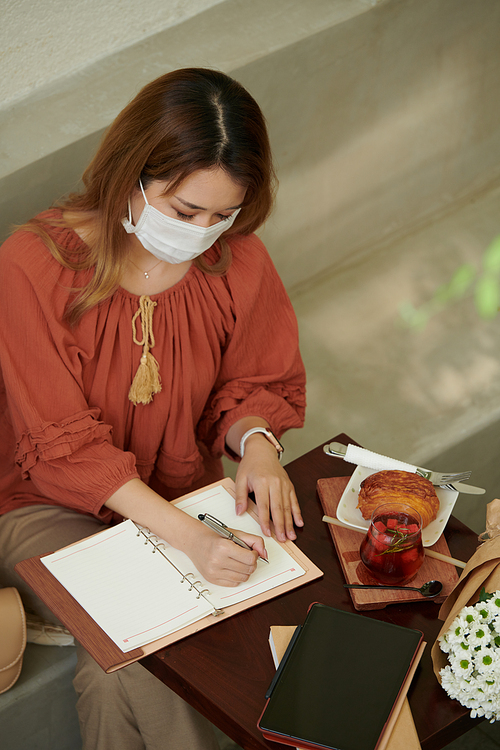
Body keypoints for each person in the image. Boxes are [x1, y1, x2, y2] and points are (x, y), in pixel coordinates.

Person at [0, 67, 306, 748]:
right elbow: (62, 449)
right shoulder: (31, 266)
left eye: (222, 214)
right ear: (130, 176)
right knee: (158, 644)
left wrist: (259, 445)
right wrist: (192, 537)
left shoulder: (238, 259)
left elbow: (255, 380)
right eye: (183, 210)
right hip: (44, 504)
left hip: (182, 486)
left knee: (115, 671)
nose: (203, 232)